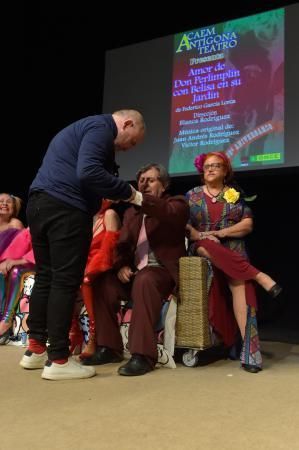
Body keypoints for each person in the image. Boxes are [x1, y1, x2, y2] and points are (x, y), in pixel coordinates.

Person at [20, 109, 145, 381]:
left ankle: (36, 349)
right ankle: (59, 360)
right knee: (65, 281)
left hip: (39, 204)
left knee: (46, 278)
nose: (127, 148)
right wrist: (130, 193)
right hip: (65, 208)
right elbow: (88, 172)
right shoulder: (101, 129)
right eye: (132, 141)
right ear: (127, 123)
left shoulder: (83, 129)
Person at [82, 163, 189, 376]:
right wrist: (121, 265)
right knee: (102, 282)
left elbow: (167, 212)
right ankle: (110, 347)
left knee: (146, 279)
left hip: (161, 272)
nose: (144, 184)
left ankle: (143, 355)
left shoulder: (176, 204)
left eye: (151, 180)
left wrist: (140, 199)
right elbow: (122, 245)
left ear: (164, 184)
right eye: (141, 181)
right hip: (135, 274)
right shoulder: (132, 213)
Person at [186, 151, 282, 373]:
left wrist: (220, 233)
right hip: (203, 249)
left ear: (225, 170)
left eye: (216, 165)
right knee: (206, 245)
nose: (210, 169)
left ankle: (251, 352)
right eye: (207, 166)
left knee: (244, 287)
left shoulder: (234, 194)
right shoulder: (191, 195)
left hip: (232, 248)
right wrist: (202, 236)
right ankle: (259, 275)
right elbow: (186, 226)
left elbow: (247, 225)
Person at [69, 199, 121, 358]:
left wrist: (90, 269)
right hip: (84, 264)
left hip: (104, 266)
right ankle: (73, 334)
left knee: (86, 280)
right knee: (63, 281)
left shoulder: (109, 214)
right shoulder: (83, 218)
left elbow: (109, 249)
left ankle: (94, 335)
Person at [0, 227, 35, 344]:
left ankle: (6, 321)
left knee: (17, 271)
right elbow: (20, 245)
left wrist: (15, 262)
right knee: (2, 271)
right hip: (31, 260)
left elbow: (43, 251)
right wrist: (8, 261)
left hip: (49, 262)